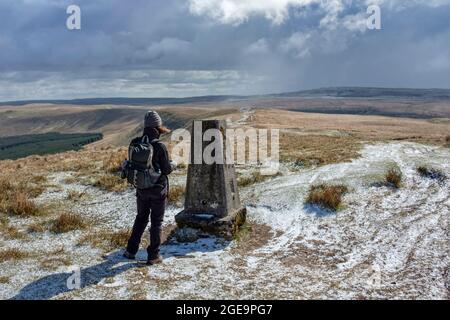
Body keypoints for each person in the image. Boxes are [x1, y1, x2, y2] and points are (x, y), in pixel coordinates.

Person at [123, 110, 175, 265]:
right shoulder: (159, 146)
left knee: (141, 218)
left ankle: (130, 250)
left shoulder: (135, 142)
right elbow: (166, 170)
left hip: (141, 188)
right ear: (158, 127)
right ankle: (153, 255)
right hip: (158, 189)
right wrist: (173, 165)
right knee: (156, 222)